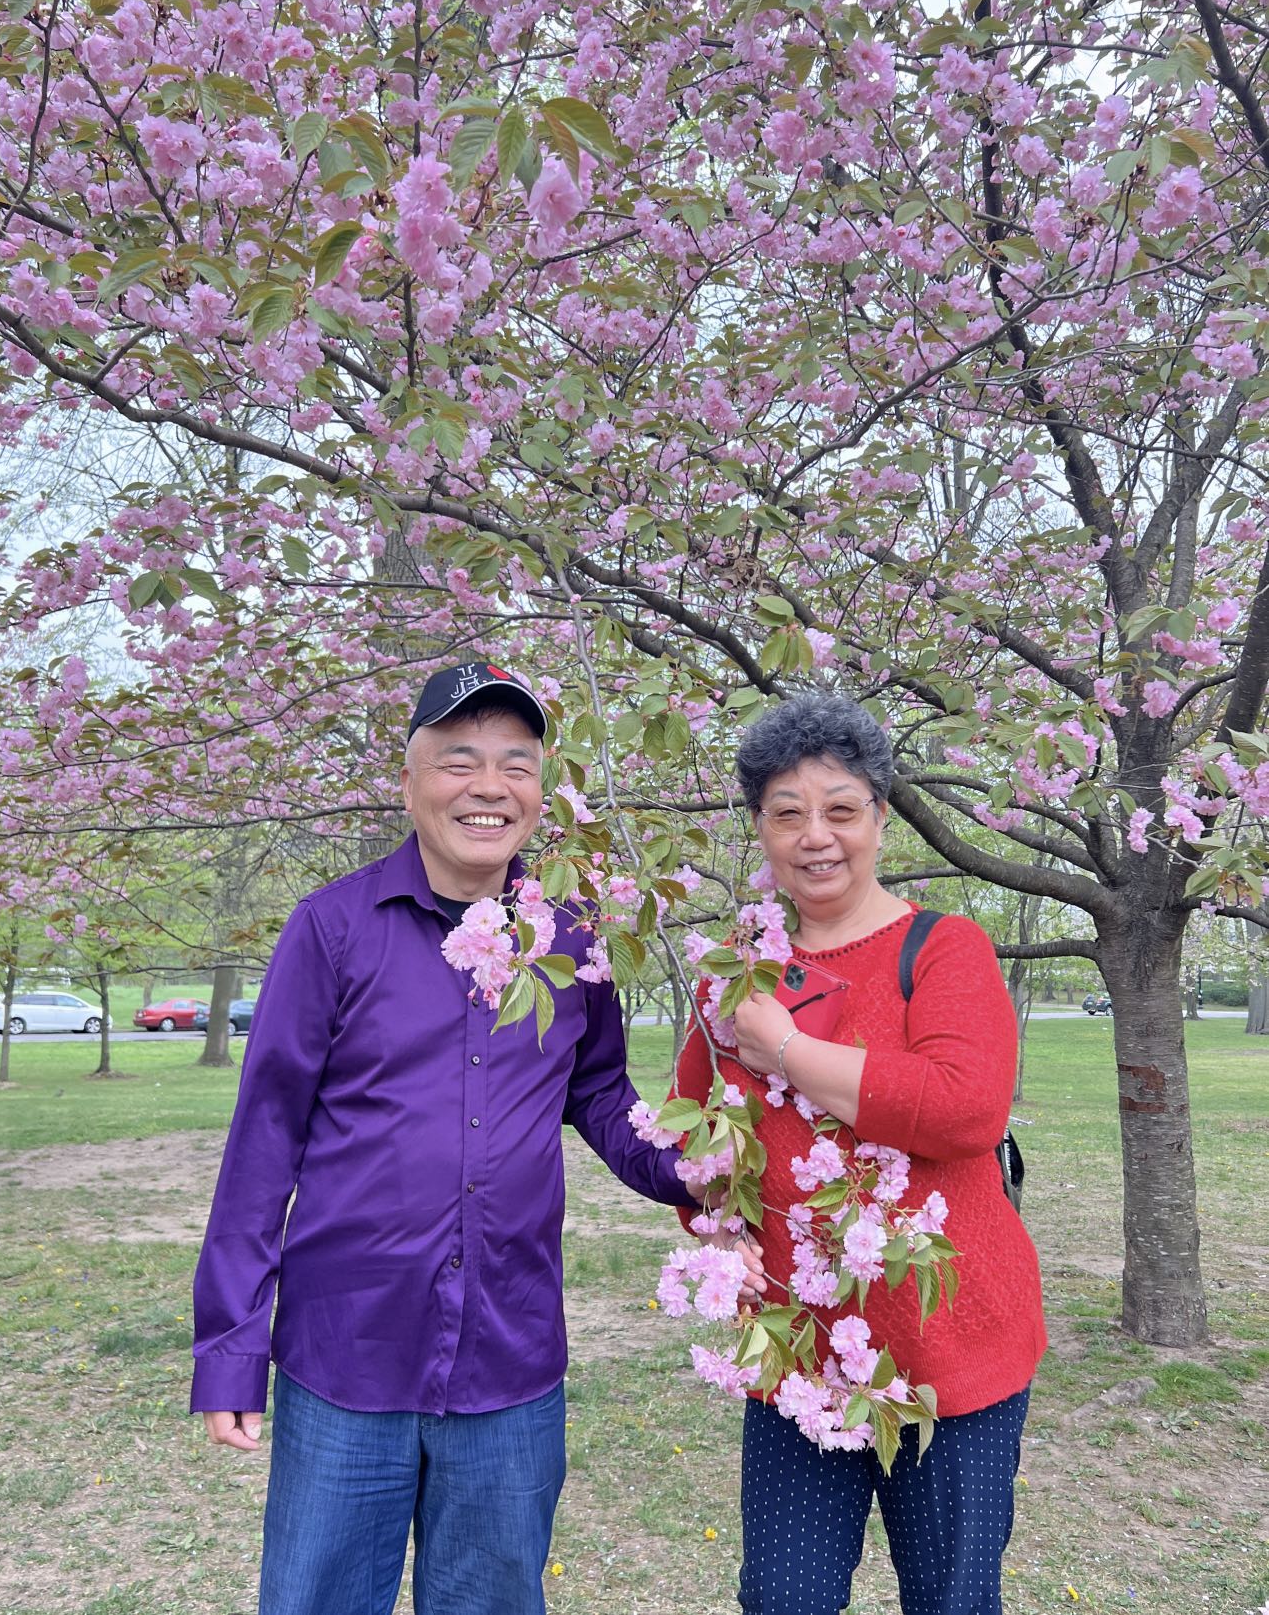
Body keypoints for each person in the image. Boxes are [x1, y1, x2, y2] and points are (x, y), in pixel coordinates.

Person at [191, 660, 704, 1615]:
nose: (487, 786)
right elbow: (265, 1144)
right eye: (458, 759)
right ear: (412, 781)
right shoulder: (333, 929)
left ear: (540, 793)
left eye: (516, 764)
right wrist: (230, 1346)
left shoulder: (573, 933)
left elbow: (597, 1095)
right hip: (348, 1357)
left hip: (508, 1361)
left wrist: (693, 1174)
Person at [672, 691, 1046, 1615]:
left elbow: (965, 1110)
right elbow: (696, 1132)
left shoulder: (944, 948)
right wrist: (715, 1229)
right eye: (786, 813)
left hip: (949, 1360)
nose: (816, 836)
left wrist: (790, 1053)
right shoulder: (739, 965)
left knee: (951, 1599)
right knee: (782, 1599)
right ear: (758, 826)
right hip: (800, 1359)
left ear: (880, 815)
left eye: (841, 809)